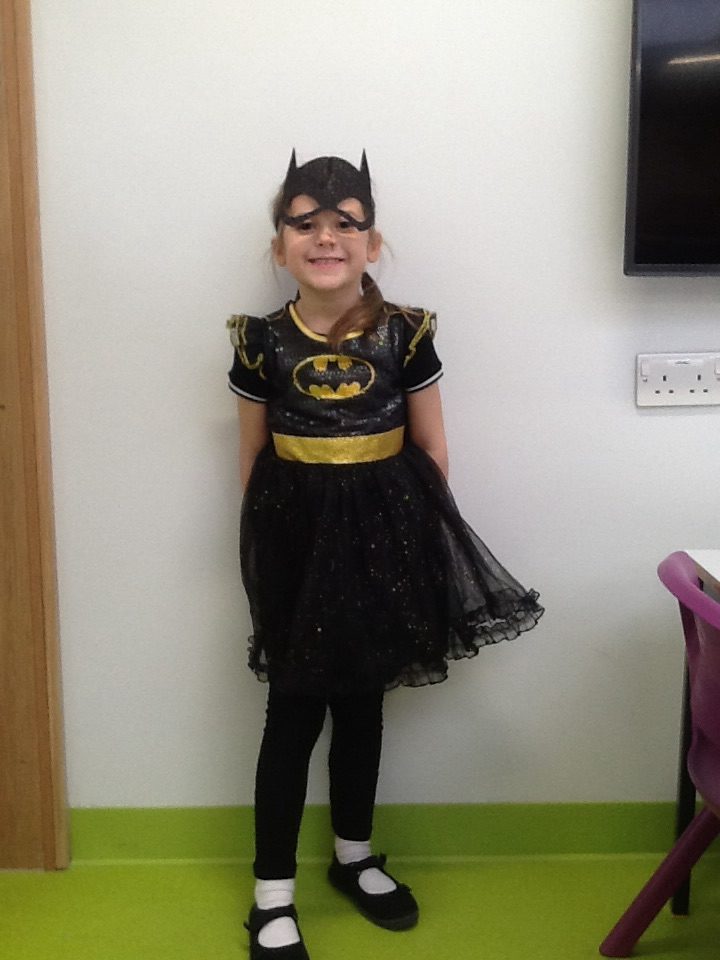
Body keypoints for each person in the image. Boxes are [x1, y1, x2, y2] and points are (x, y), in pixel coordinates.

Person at [227, 151, 543, 960]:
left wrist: (417, 544)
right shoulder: (260, 342)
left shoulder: (406, 332)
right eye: (305, 223)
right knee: (293, 712)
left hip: (384, 540)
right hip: (298, 546)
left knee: (363, 704)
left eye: (346, 224)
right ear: (280, 245)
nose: (325, 237)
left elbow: (432, 449)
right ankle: (271, 896)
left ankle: (354, 858)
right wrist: (270, 554)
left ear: (372, 244)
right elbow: (252, 459)